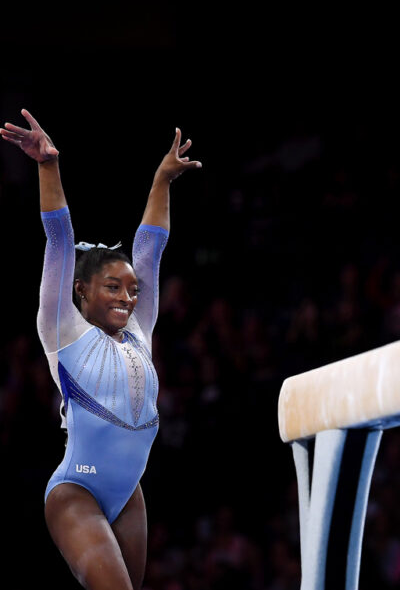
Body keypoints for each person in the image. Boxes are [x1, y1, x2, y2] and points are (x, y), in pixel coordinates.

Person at [1, 109, 201, 590]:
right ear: (81, 291)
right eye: (113, 288)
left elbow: (150, 250)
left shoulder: (139, 331)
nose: (129, 298)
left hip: (129, 494)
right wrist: (48, 167)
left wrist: (161, 181)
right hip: (77, 492)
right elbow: (59, 239)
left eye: (132, 291)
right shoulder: (62, 329)